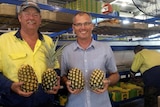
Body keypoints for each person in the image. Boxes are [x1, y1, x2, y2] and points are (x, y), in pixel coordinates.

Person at [0, 1, 60, 107]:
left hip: (45, 101)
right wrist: (10, 85)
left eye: (35, 15)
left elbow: (55, 67)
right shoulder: (3, 40)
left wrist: (56, 79)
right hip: (14, 101)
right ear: (20, 18)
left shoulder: (48, 41)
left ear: (40, 19)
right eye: (27, 14)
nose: (31, 18)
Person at [61, 11, 120, 107]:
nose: (83, 28)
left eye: (86, 23)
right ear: (73, 28)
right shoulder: (66, 52)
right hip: (75, 104)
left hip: (101, 104)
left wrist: (108, 81)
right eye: (78, 24)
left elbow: (115, 75)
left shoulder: (105, 49)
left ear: (92, 26)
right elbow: (63, 76)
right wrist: (66, 81)